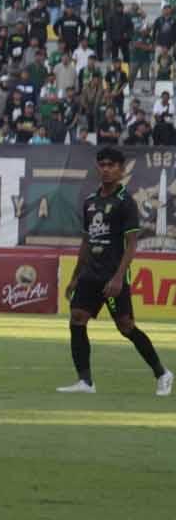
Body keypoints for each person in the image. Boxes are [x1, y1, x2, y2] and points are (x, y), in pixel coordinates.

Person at [59, 147, 173, 396]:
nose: (106, 169)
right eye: (102, 165)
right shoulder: (90, 202)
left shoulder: (126, 203)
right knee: (77, 318)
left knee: (125, 326)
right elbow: (87, 243)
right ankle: (85, 382)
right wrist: (75, 276)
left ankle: (162, 372)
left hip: (112, 276)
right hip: (90, 274)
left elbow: (132, 244)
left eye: (112, 165)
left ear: (121, 170)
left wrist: (119, 277)